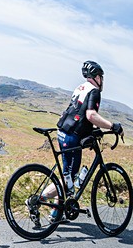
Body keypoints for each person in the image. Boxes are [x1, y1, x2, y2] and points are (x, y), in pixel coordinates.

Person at [48, 60, 123, 196]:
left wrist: (93, 129)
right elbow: (90, 114)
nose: (102, 81)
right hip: (71, 137)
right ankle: (39, 200)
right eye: (102, 77)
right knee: (68, 180)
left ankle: (57, 213)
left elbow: (78, 113)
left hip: (64, 132)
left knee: (69, 178)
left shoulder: (81, 88)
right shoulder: (94, 91)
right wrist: (112, 126)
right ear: (98, 77)